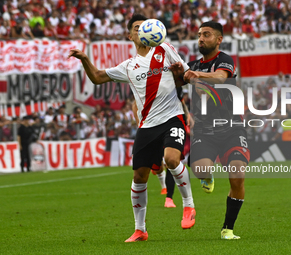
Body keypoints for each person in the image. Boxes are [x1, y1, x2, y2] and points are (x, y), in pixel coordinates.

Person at [68, 14, 196, 243]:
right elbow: (97, 77)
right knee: (139, 177)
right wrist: (85, 59)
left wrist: (180, 75)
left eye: (145, 27)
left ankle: (188, 206)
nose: (142, 30)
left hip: (172, 118)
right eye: (137, 28)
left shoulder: (165, 49)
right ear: (130, 35)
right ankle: (140, 230)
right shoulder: (128, 66)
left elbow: (186, 77)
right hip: (147, 125)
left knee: (172, 159)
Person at [171, 21, 250, 240]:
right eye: (199, 35)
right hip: (204, 131)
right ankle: (207, 175)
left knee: (237, 175)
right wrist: (178, 74)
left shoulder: (224, 60)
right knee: (200, 170)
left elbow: (221, 78)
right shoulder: (192, 64)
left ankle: (228, 228)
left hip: (232, 128)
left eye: (206, 35)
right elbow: (176, 83)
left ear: (219, 39)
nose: (201, 39)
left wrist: (193, 74)